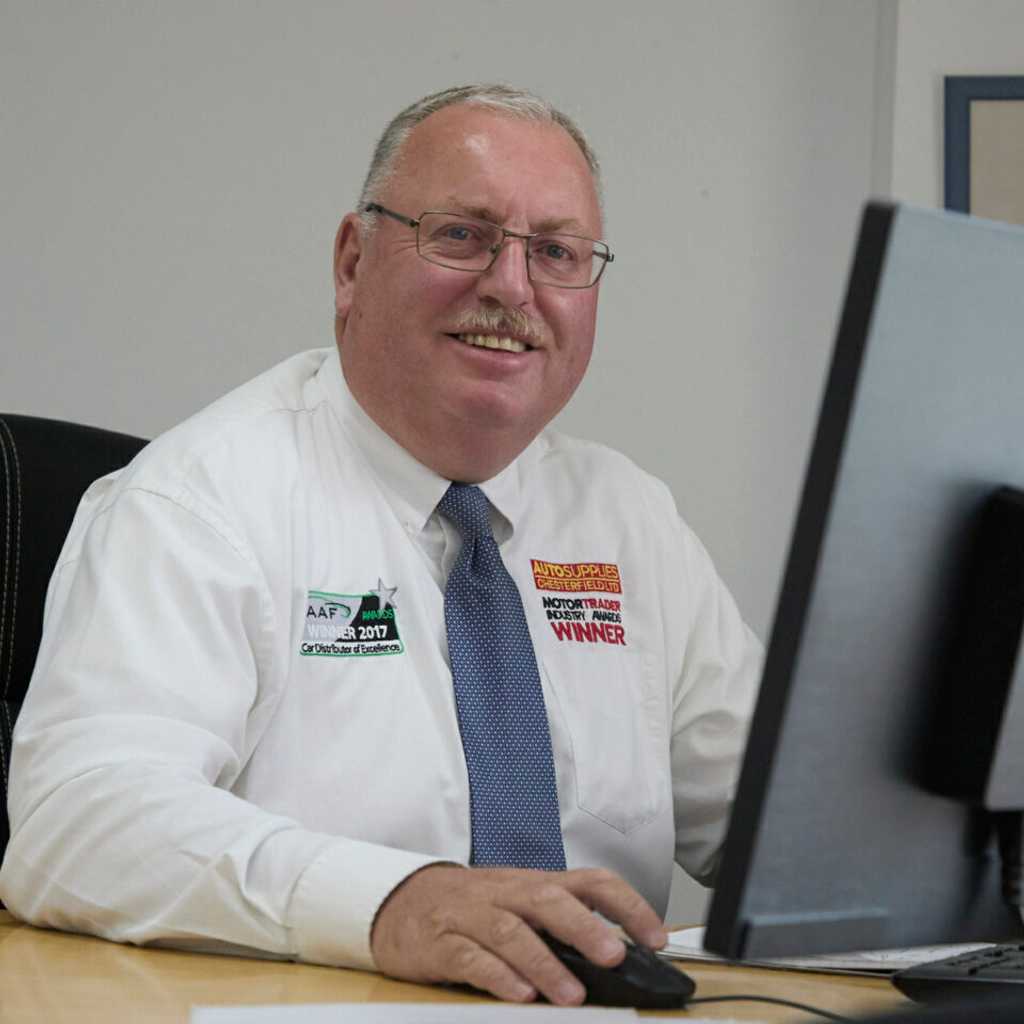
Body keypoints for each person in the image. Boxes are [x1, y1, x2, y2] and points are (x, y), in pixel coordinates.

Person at [0, 84, 761, 1006]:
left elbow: (778, 830)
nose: (512, 286)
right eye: (462, 235)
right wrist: (393, 902)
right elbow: (78, 825)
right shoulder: (199, 500)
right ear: (353, 263)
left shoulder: (630, 520)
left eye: (556, 253)